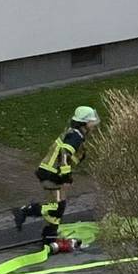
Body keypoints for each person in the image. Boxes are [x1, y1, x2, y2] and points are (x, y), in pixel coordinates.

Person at [24, 105, 99, 251]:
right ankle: (31, 211)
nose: (94, 125)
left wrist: (67, 175)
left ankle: (49, 237)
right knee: (56, 207)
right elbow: (64, 153)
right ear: (85, 123)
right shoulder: (75, 136)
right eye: (92, 121)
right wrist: (65, 175)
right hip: (51, 174)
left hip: (53, 173)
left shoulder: (76, 134)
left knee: (58, 206)